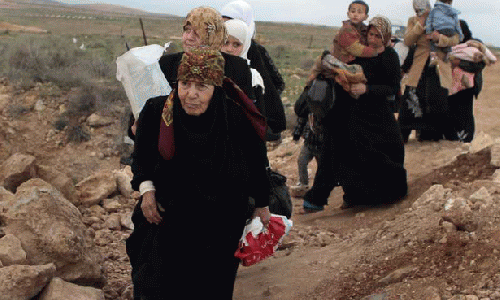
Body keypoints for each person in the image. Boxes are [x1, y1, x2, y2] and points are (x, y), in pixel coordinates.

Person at [126, 49, 271, 300]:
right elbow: (142, 158)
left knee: (210, 287)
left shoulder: (235, 118)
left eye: (201, 86)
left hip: (219, 225)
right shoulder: (157, 111)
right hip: (168, 218)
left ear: (216, 86)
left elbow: (257, 163)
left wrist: (262, 203)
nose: (191, 94)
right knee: (157, 284)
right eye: (185, 84)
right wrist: (147, 190)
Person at [302, 16, 408, 212]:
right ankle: (338, 198)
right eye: (370, 34)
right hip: (349, 111)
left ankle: (378, 197)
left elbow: (392, 87)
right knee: (340, 152)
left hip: (376, 115)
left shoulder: (390, 57)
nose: (373, 39)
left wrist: (367, 89)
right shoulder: (359, 53)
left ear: (386, 37)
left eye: (378, 36)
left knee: (382, 153)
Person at [221, 0, 287, 143]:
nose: (226, 25)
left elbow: (277, 83)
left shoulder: (253, 50)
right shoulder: (218, 50)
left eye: (230, 21)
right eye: (223, 21)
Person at [397, 0, 461, 142]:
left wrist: (440, 38)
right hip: (419, 67)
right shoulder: (413, 20)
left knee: (437, 102)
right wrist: (420, 23)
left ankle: (431, 134)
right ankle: (404, 134)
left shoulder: (444, 17)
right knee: (411, 100)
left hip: (439, 67)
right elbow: (407, 41)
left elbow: (456, 38)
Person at [306, 0, 381, 85]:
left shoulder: (365, 29)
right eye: (353, 11)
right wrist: (375, 51)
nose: (355, 14)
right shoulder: (346, 30)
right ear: (348, 14)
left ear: (365, 17)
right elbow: (355, 49)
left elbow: (372, 38)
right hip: (343, 62)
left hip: (356, 61)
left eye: (359, 12)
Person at [447, 20, 496, 142]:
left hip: (467, 87)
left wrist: (459, 63)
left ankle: (465, 138)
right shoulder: (450, 46)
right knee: (450, 111)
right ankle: (452, 136)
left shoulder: (474, 46)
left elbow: (479, 65)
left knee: (464, 114)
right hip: (449, 85)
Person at [222, 18, 266, 114]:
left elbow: (258, 118)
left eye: (236, 45)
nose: (229, 49)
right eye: (225, 43)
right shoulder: (209, 71)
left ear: (245, 46)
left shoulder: (253, 78)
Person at [425, 0, 463, 65]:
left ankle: (434, 57)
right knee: (448, 42)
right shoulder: (453, 11)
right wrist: (460, 34)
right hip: (450, 29)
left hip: (439, 28)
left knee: (433, 43)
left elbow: (429, 21)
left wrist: (429, 32)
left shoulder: (435, 9)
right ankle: (448, 54)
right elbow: (457, 24)